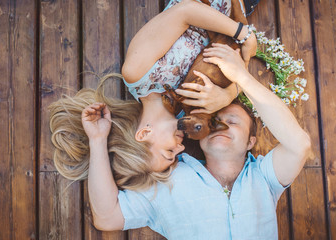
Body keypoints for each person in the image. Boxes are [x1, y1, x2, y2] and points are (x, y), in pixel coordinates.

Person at [84, 44, 311, 238]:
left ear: (251, 141)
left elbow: (299, 145)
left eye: (232, 121)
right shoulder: (167, 182)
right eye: (211, 121)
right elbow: (107, 217)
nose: (218, 126)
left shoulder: (264, 177)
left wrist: (241, 76)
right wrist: (97, 140)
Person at [50, 0, 257, 191]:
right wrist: (229, 95)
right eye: (176, 155)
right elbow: (237, 68)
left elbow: (185, 11)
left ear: (144, 134)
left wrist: (244, 35)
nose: (181, 147)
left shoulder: (138, 73)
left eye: (169, 152)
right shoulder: (190, 111)